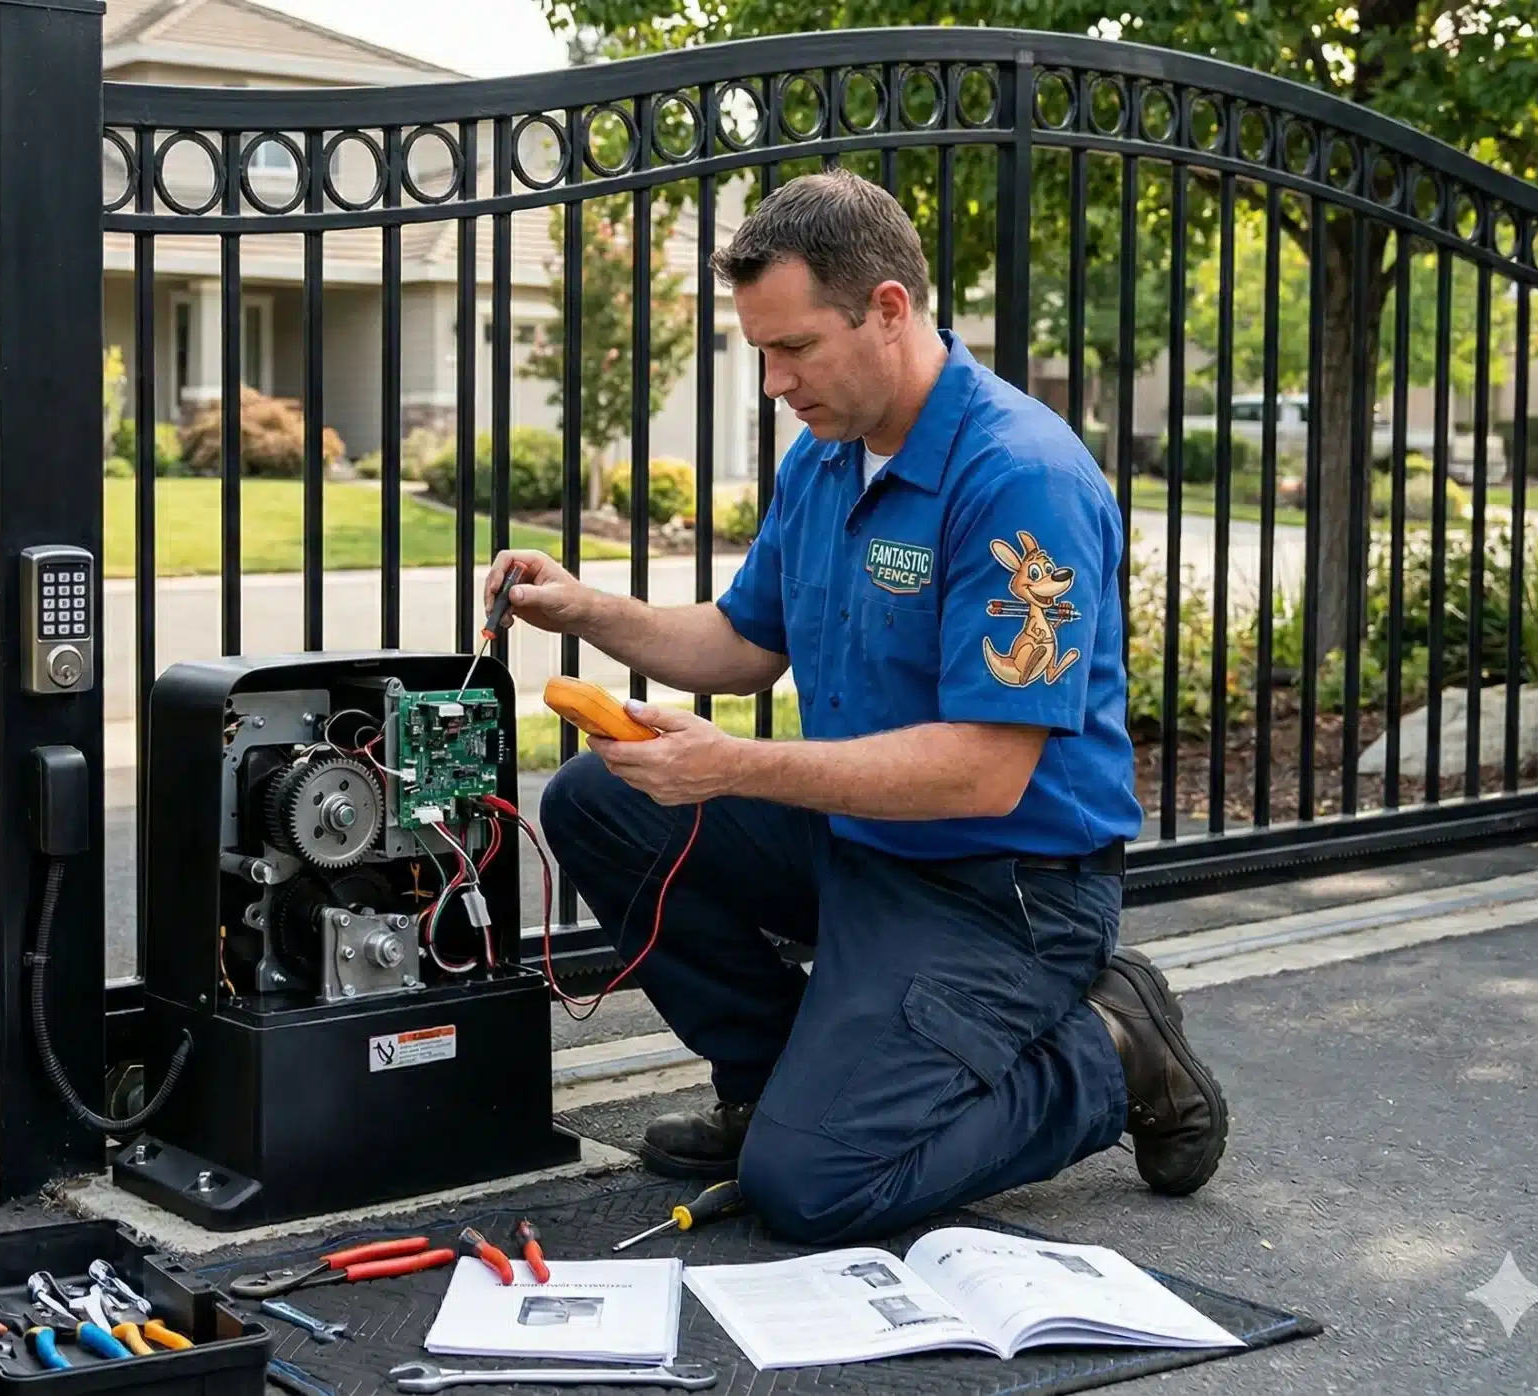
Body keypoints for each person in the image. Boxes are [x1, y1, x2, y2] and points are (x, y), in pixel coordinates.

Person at [484, 168, 1226, 1246]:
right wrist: (587, 606)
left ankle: (1111, 1050)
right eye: (762, 353)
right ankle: (773, 1079)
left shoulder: (1018, 477)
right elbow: (742, 643)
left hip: (1001, 890)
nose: (775, 380)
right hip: (862, 844)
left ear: (887, 309)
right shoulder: (827, 459)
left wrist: (735, 765)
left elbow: (983, 769)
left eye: (794, 348)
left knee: (815, 1187)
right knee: (600, 796)